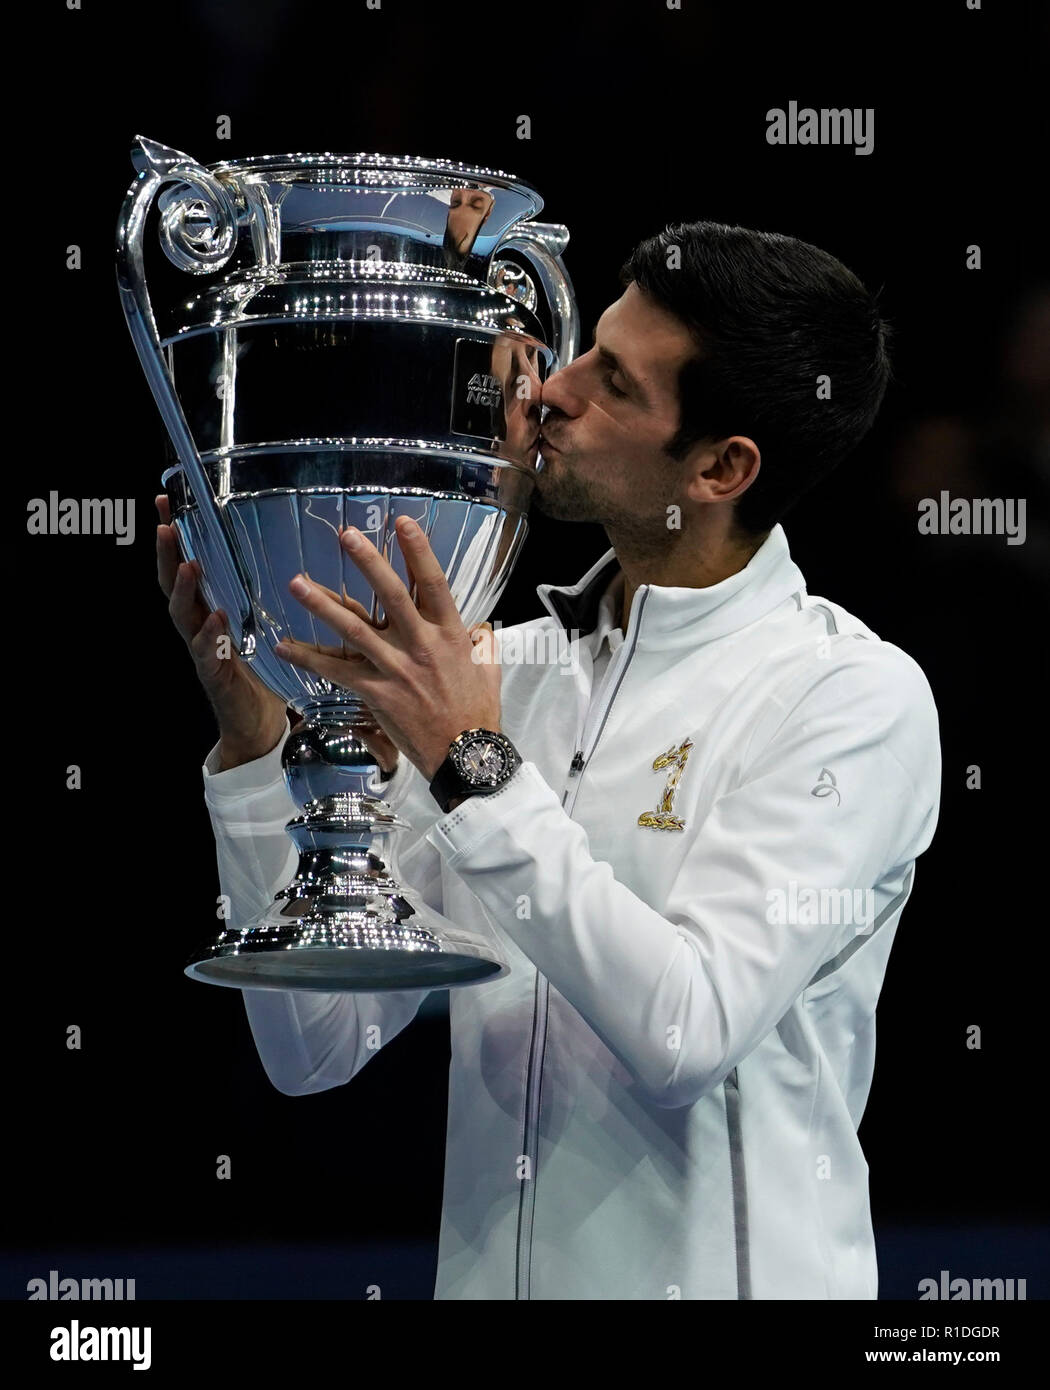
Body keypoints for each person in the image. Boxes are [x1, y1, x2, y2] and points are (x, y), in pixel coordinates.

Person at [157, 221, 940, 1300]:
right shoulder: (495, 676)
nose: (548, 391)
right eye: (584, 351)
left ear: (720, 467)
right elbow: (315, 1042)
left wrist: (470, 761)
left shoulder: (852, 699)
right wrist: (256, 743)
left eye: (612, 381)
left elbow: (687, 1028)